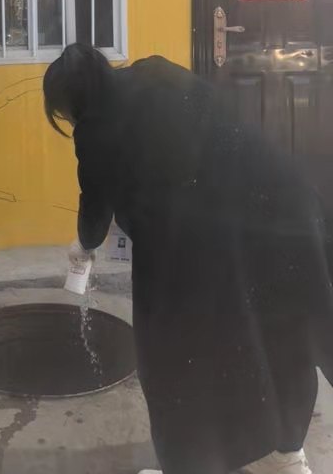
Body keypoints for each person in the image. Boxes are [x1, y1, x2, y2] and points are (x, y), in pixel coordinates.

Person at [43, 44, 333, 474]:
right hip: (282, 202)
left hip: (212, 233)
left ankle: (197, 460)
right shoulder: (156, 71)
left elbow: (96, 209)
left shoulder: (95, 130)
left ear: (69, 104)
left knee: (174, 354)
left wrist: (83, 246)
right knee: (284, 330)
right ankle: (287, 454)